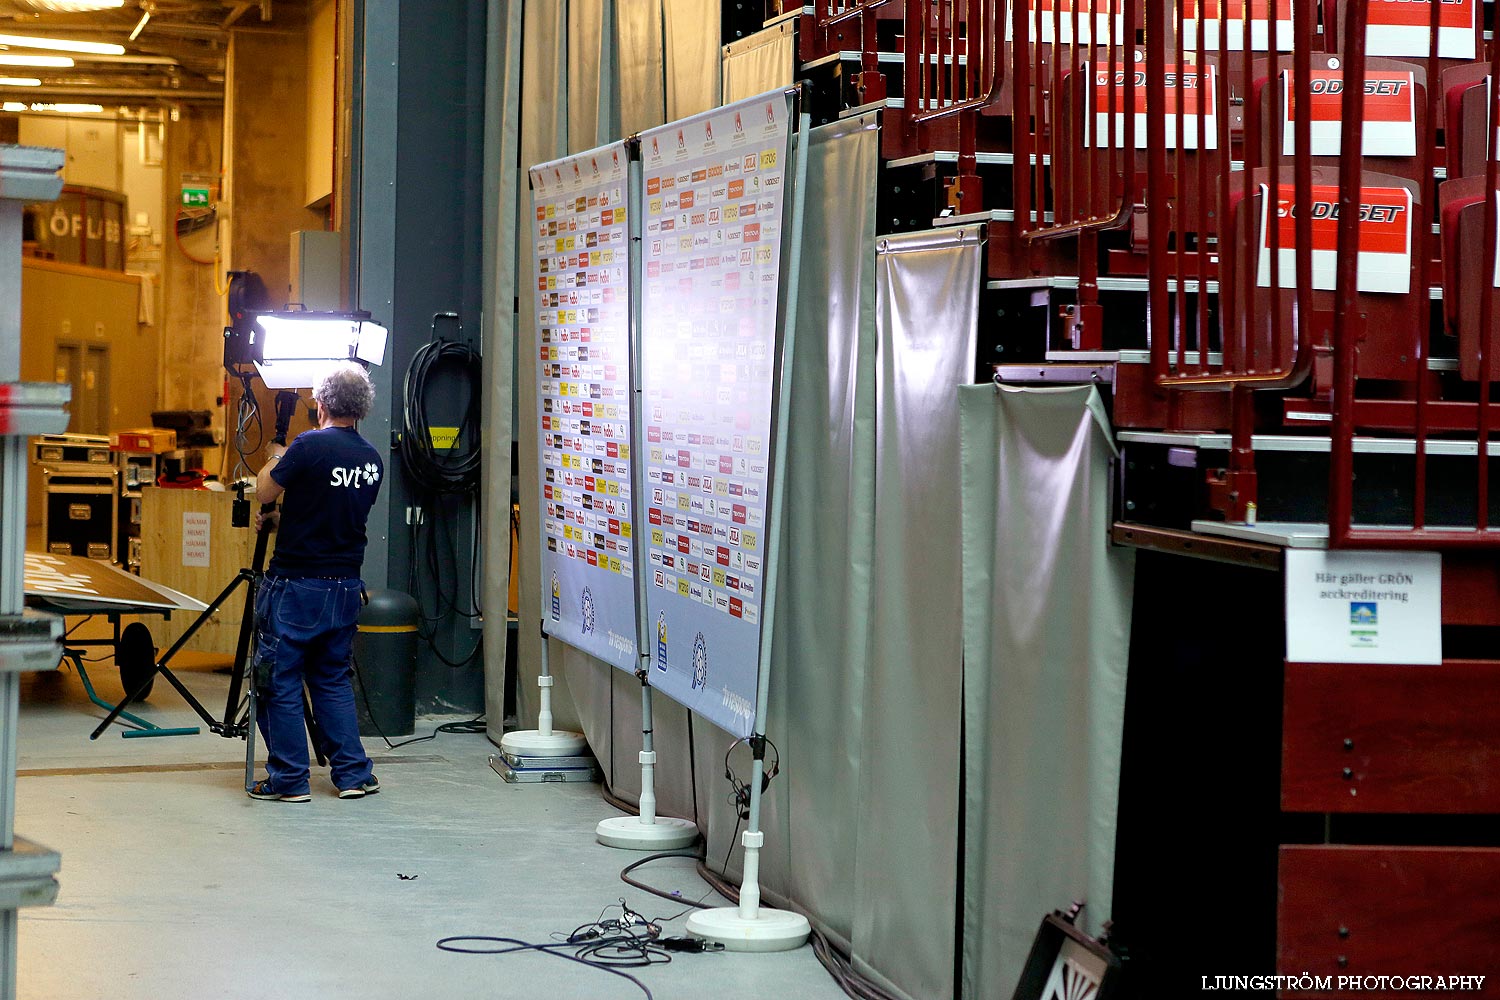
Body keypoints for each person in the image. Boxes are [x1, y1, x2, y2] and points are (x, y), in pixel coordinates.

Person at [249, 363, 384, 802]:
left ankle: (289, 780)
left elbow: (264, 490)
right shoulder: (371, 459)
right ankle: (353, 775)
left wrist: (274, 453)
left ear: (320, 403)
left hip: (295, 586)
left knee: (279, 679)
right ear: (360, 409)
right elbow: (332, 514)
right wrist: (285, 519)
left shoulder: (307, 446)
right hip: (345, 586)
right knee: (330, 679)